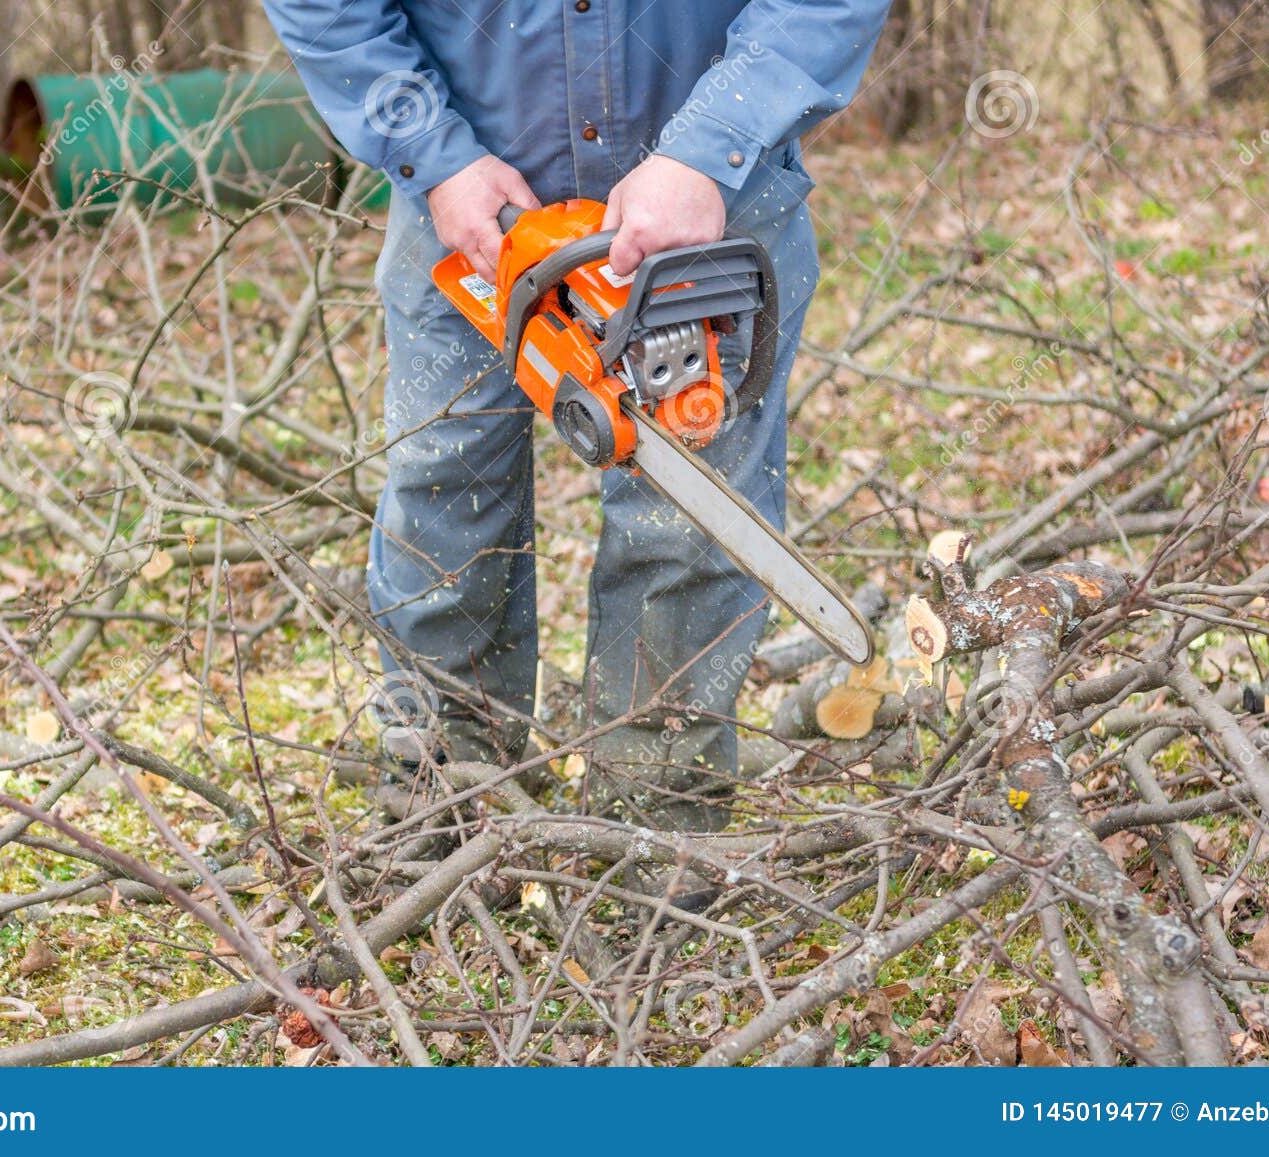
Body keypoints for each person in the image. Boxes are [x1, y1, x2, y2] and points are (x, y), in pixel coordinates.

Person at [263, 1, 892, 831]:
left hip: (714, 204)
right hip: (471, 210)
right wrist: (432, 153)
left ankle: (657, 812)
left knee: (688, 518)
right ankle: (447, 792)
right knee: (444, 481)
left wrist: (709, 148)